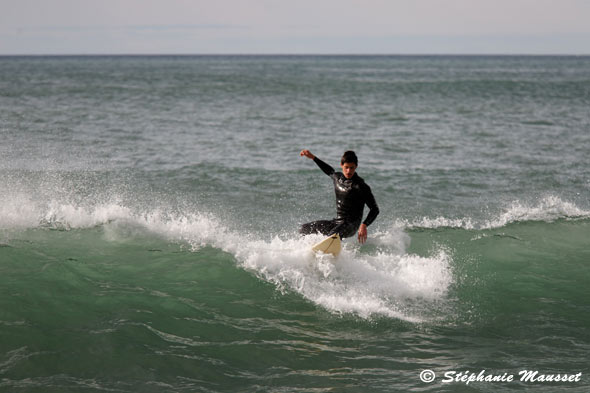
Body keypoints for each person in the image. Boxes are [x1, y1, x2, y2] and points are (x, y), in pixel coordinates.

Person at [299, 149, 379, 244]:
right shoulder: (337, 178)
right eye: (346, 167)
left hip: (351, 225)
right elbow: (329, 170)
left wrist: (364, 225)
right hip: (337, 222)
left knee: (332, 236)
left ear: (356, 167)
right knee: (305, 229)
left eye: (352, 168)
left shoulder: (360, 186)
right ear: (341, 165)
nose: (349, 171)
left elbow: (375, 209)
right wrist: (313, 157)